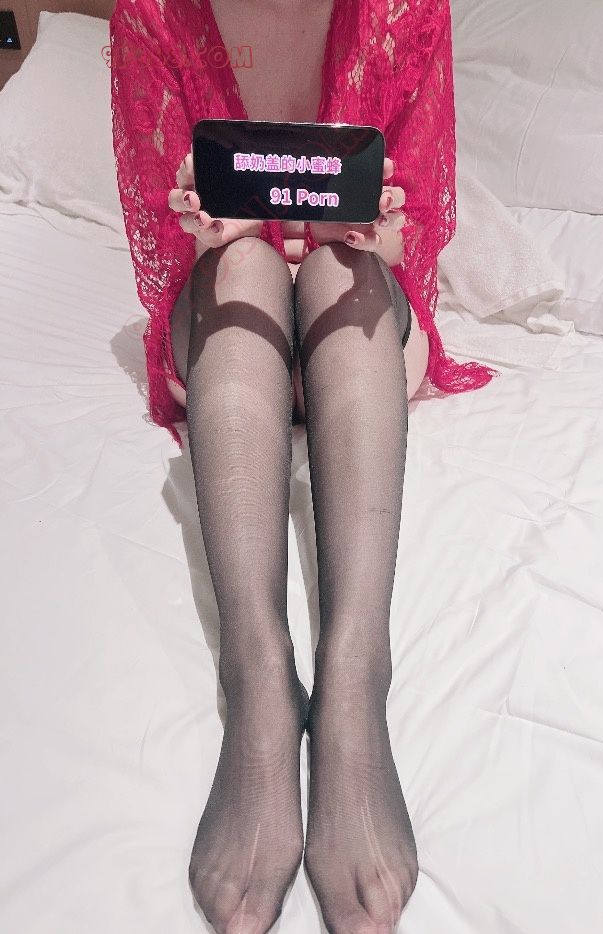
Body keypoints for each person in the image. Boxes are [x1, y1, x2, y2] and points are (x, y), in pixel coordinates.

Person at [109, 1, 499, 932]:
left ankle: (355, 675)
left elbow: (414, 241)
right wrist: (212, 233)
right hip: (228, 312)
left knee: (343, 275)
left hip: (354, 307)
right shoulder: (151, 13)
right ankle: (258, 674)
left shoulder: (405, 10)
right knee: (245, 269)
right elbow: (163, 240)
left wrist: (366, 234)